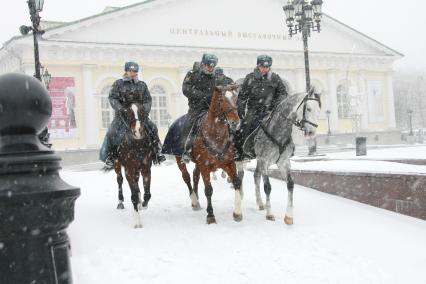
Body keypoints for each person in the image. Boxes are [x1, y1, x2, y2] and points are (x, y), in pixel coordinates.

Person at [100, 61, 166, 167]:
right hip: (123, 116)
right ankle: (111, 156)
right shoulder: (118, 84)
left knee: (153, 128)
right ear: (126, 71)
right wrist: (121, 109)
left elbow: (147, 100)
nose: (132, 73)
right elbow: (113, 98)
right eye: (130, 71)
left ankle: (157, 152)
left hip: (139, 116)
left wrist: (144, 110)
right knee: (112, 132)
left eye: (134, 71)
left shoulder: (142, 85)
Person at [235, 55, 288, 161]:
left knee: (284, 125)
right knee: (244, 128)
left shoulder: (275, 78)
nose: (264, 69)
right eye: (262, 67)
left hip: (270, 110)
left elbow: (283, 93)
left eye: (267, 67)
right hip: (253, 110)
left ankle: (286, 148)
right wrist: (241, 110)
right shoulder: (250, 78)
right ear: (258, 66)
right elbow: (242, 96)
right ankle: (241, 152)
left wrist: (274, 105)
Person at [181, 54, 218, 160]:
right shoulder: (192, 74)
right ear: (203, 64)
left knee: (228, 123)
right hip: (196, 107)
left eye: (212, 66)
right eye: (208, 66)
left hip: (212, 108)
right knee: (188, 125)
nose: (210, 68)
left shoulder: (216, 76)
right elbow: (186, 88)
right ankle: (186, 150)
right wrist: (202, 96)